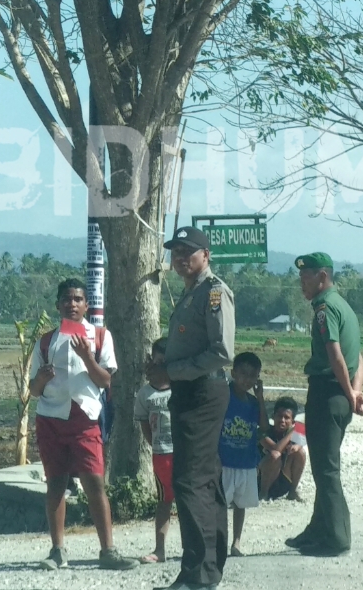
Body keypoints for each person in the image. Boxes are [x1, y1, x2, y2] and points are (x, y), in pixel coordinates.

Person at [29, 279, 139, 571]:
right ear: (58, 305)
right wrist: (41, 378)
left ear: (86, 305)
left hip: (85, 418)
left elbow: (105, 381)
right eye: (67, 299)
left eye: (78, 299)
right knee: (55, 484)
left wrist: (87, 357)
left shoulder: (100, 336)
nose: (72, 304)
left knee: (94, 483)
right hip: (51, 418)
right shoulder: (46, 341)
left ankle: (108, 550)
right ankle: (57, 550)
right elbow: (34, 390)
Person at [163, 225, 235, 590]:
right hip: (192, 391)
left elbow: (222, 352)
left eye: (188, 251)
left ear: (205, 255)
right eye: (175, 251)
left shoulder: (213, 293)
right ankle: (206, 569)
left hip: (203, 393)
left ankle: (199, 574)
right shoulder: (192, 293)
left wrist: (173, 370)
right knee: (203, 480)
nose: (179, 258)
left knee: (190, 481)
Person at [284, 252, 363, 557]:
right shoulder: (344, 305)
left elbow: (335, 355)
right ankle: (317, 530)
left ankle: (337, 538)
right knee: (322, 466)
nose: (301, 284)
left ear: (322, 276)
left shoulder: (324, 308)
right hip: (340, 395)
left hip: (327, 393)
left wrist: (348, 392)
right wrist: (355, 394)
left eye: (305, 277)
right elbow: (358, 358)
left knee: (327, 470)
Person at [219, 352, 267, 557]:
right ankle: (219, 540)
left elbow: (264, 426)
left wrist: (261, 397)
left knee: (241, 504)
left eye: (252, 376)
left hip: (246, 461)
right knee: (220, 504)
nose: (247, 379)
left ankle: (236, 542)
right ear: (233, 373)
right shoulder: (223, 396)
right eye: (243, 374)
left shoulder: (254, 403)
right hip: (224, 460)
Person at [134, 338, 174, 564]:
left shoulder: (182, 389)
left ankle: (194, 547)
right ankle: (160, 549)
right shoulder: (145, 394)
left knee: (190, 500)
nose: (161, 367)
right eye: (158, 362)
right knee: (164, 501)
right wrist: (157, 445)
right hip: (161, 455)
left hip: (185, 453)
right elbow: (145, 428)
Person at [260, 396, 307, 501]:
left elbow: (301, 442)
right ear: (273, 416)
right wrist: (291, 433)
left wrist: (297, 445)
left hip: (282, 482)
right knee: (274, 456)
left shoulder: (297, 430)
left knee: (300, 453)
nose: (282, 420)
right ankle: (263, 494)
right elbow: (276, 449)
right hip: (262, 481)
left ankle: (292, 491)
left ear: (292, 421)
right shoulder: (264, 432)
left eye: (286, 418)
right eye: (279, 416)